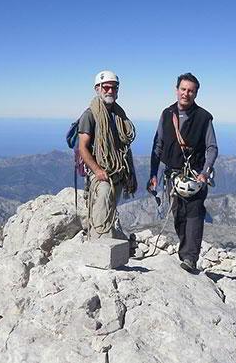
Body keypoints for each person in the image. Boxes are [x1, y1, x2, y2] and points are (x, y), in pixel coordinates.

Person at [148, 72, 218, 273]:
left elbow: (211, 147)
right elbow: (158, 145)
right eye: (183, 89)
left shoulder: (204, 118)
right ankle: (185, 254)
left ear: (196, 94)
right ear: (177, 90)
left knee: (195, 213)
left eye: (191, 91)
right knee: (179, 215)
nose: (186, 94)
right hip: (172, 175)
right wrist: (154, 173)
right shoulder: (166, 114)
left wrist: (205, 171)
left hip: (195, 175)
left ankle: (190, 257)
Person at [78, 70, 137, 239]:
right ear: (98, 88)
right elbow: (83, 148)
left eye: (114, 88)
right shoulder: (89, 115)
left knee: (111, 208)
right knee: (103, 201)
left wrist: (130, 173)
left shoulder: (119, 115)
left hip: (118, 172)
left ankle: (105, 242)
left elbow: (125, 146)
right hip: (100, 172)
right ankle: (98, 245)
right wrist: (97, 170)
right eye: (106, 87)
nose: (110, 91)